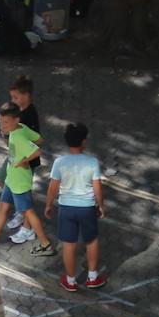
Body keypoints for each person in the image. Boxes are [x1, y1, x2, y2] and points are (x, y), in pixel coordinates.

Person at [45, 123, 105, 291]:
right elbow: (98, 188)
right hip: (86, 208)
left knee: (68, 244)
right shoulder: (92, 162)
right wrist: (100, 206)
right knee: (91, 240)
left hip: (66, 208)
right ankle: (92, 277)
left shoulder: (59, 162)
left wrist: (48, 205)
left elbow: (53, 187)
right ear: (84, 142)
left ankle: (70, 281)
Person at [0, 104, 48, 252]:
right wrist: (6, 138)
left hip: (19, 182)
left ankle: (45, 243)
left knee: (28, 213)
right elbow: (39, 139)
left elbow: (38, 152)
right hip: (11, 178)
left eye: (6, 122)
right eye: (1, 121)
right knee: (3, 208)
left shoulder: (18, 137)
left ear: (16, 120)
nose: (2, 125)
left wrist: (25, 160)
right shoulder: (20, 128)